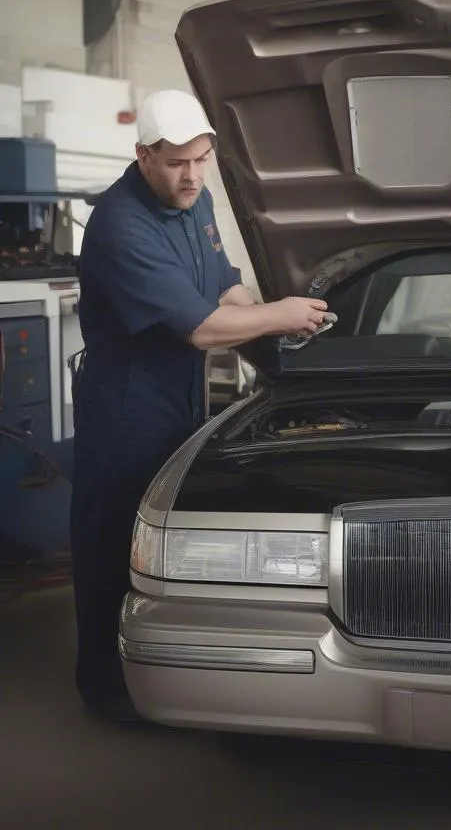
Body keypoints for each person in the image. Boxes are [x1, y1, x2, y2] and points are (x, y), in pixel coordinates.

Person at [71, 89, 329, 723]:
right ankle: (105, 689)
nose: (192, 176)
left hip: (180, 395)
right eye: (177, 163)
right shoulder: (120, 224)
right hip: (126, 405)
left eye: (202, 160)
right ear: (143, 156)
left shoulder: (197, 199)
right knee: (114, 543)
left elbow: (224, 284)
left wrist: (274, 321)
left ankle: (169, 671)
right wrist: (279, 316)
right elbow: (202, 329)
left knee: (168, 543)